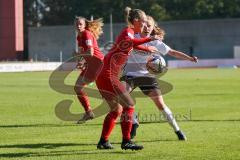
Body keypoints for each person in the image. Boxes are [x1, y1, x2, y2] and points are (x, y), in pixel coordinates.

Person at [121, 15, 198, 140]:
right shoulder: (132, 37)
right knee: (122, 96)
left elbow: (172, 52)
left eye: (149, 26)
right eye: (144, 25)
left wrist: (189, 58)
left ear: (153, 28)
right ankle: (134, 122)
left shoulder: (155, 42)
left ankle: (177, 130)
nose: (146, 28)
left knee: (161, 105)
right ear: (139, 25)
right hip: (130, 75)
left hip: (147, 76)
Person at [96, 7, 162, 150]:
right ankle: (126, 141)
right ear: (136, 21)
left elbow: (130, 45)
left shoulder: (130, 34)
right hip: (108, 75)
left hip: (103, 75)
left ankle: (103, 141)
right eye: (144, 22)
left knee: (116, 110)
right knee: (129, 104)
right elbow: (131, 43)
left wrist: (147, 49)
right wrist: (149, 39)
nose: (145, 26)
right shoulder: (128, 32)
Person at [74, 16, 104, 123]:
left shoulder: (86, 34)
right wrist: (82, 61)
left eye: (80, 24)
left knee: (106, 94)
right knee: (78, 88)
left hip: (98, 65)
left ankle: (127, 113)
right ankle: (88, 112)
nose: (78, 26)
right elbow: (86, 54)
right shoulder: (79, 36)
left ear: (85, 25)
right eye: (77, 24)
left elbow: (90, 52)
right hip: (91, 66)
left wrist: (80, 57)